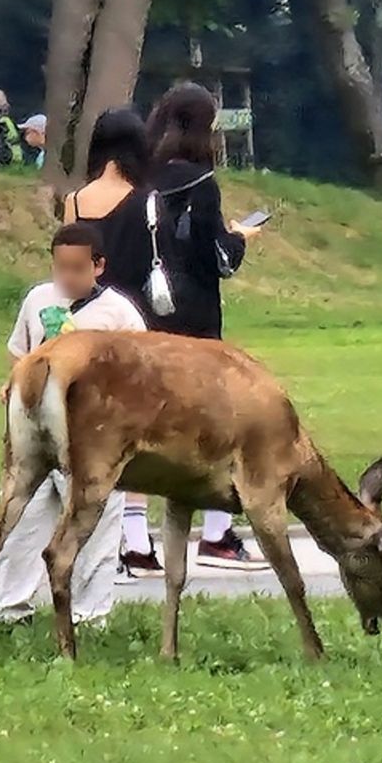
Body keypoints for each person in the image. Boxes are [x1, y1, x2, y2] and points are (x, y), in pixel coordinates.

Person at [0, 223, 146, 623]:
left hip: (93, 439)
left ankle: (90, 614)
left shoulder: (120, 313)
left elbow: (139, 375)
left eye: (77, 268)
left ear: (99, 266)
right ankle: (11, 607)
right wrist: (16, 386)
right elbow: (20, 354)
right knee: (24, 518)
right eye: (60, 268)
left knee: (96, 523)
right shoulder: (38, 299)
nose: (68, 277)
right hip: (38, 432)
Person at [142, 82, 263, 568]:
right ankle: (217, 533)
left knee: (146, 424)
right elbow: (218, 260)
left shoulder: (143, 178)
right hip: (195, 318)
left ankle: (133, 542)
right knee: (212, 424)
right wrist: (239, 237)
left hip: (147, 314)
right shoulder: (200, 183)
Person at [63, 107, 163, 577]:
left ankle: (84, 528)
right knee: (133, 434)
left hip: (86, 325)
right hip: (133, 324)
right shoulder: (147, 201)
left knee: (86, 433)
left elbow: (67, 260)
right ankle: (137, 539)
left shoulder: (76, 200)